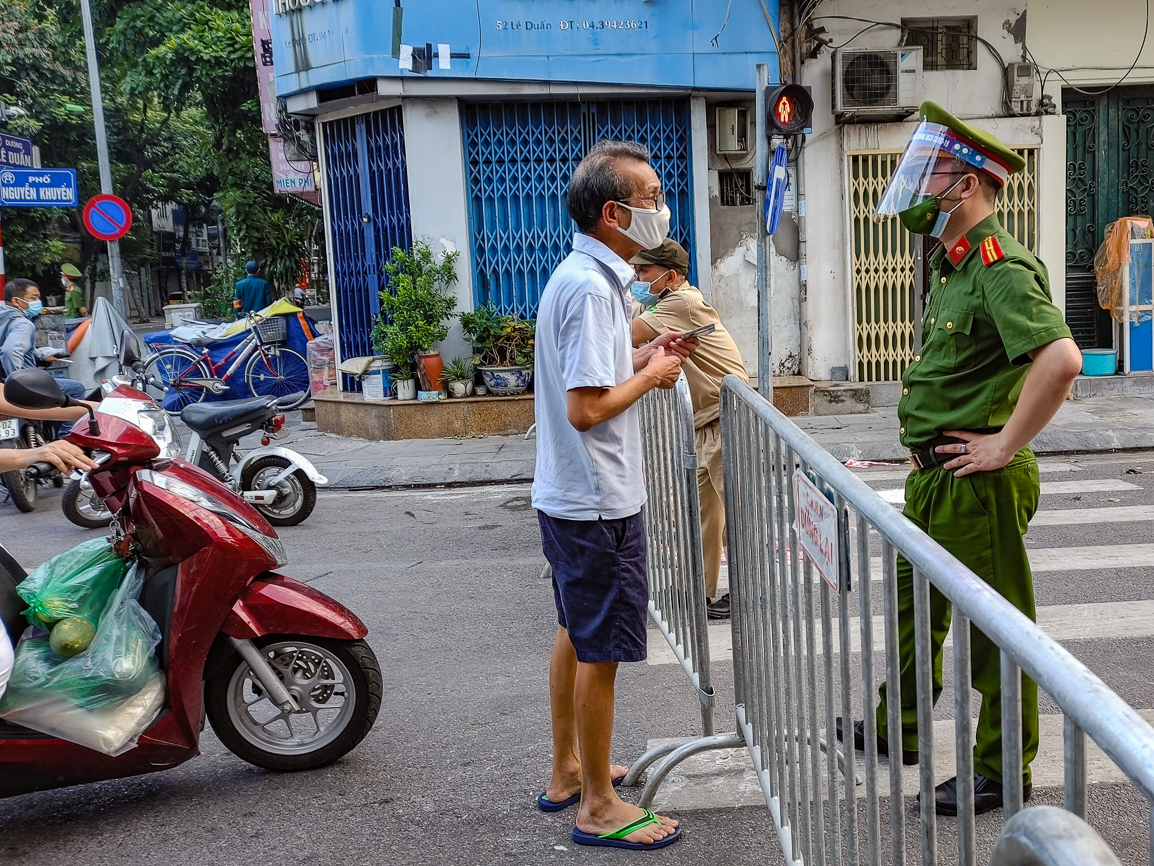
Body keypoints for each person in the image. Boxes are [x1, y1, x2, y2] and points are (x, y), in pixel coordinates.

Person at [835, 102, 1083, 816]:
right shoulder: (952, 265)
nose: (917, 187)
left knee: (997, 631)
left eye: (930, 173)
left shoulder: (1001, 267)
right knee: (916, 611)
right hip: (933, 479)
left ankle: (1003, 770)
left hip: (978, 483)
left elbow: (1061, 360)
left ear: (967, 185)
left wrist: (1005, 445)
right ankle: (901, 729)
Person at [532, 139, 697, 850]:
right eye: (652, 199)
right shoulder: (594, 288)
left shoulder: (585, 278)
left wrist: (644, 357)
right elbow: (588, 408)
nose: (661, 209)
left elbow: (593, 374)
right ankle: (598, 805)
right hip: (597, 501)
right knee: (598, 650)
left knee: (575, 631)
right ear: (613, 212)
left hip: (572, 494)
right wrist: (654, 378)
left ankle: (570, 769)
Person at [629, 238, 747, 619]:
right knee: (705, 515)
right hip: (706, 422)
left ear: (671, 276)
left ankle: (749, 593)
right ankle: (702, 592)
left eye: (643, 272)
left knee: (738, 514)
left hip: (726, 418)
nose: (638, 279)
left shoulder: (680, 302)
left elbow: (627, 335)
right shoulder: (669, 302)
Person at [0, 279, 88, 401]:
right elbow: (9, 352)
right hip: (23, 385)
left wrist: (43, 355)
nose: (38, 302)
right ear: (16, 301)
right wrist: (18, 384)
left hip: (2, 382)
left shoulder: (4, 318)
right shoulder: (23, 324)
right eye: (33, 298)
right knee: (77, 389)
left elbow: (19, 349)